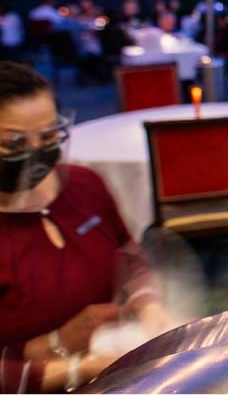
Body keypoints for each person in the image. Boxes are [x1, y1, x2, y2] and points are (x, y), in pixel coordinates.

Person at [0, 61, 164, 392]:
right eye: (15, 145)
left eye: (48, 136)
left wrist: (148, 300)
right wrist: (73, 368)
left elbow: (129, 253)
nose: (36, 153)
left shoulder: (84, 184)